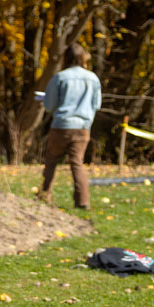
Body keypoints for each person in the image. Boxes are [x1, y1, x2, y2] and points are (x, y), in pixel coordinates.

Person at [39, 44, 101, 210]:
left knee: (51, 160)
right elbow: (97, 104)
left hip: (61, 125)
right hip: (83, 127)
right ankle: (83, 201)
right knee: (77, 163)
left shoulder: (60, 78)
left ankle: (44, 195)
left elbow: (50, 105)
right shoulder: (93, 78)